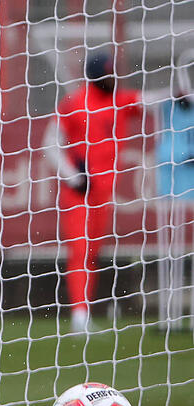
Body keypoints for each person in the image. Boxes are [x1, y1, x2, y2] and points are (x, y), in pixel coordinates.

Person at [51, 52, 142, 333]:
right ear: (94, 77)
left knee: (92, 251)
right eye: (106, 74)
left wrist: (180, 95)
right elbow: (49, 143)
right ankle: (79, 315)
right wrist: (72, 175)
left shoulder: (120, 100)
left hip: (103, 193)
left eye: (113, 74)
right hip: (79, 192)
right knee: (79, 250)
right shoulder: (75, 103)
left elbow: (151, 99)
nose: (111, 79)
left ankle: (84, 310)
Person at [154, 52, 194, 330]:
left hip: (187, 171)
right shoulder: (166, 106)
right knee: (171, 244)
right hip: (172, 173)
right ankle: (169, 316)